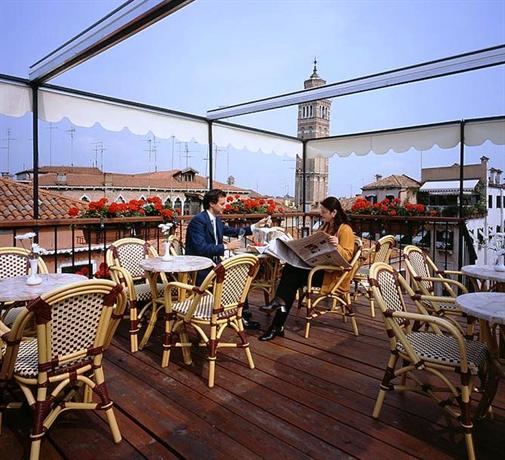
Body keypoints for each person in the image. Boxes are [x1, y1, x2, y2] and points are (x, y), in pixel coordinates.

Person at [258, 196, 355, 341]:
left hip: (332, 276)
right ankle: (277, 323)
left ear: (334, 213)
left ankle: (277, 319)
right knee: (291, 272)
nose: (321, 214)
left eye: (324, 212)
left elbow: (347, 256)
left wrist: (337, 246)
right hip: (319, 269)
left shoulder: (345, 230)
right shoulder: (325, 227)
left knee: (291, 278)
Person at [185, 189, 269, 329]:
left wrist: (255, 226)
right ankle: (238, 316)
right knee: (237, 277)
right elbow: (201, 248)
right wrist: (226, 247)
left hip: (213, 264)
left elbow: (232, 231)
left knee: (240, 275)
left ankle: (240, 314)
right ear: (212, 204)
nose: (225, 207)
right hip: (200, 268)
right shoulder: (198, 221)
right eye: (222, 204)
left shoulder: (215, 219)